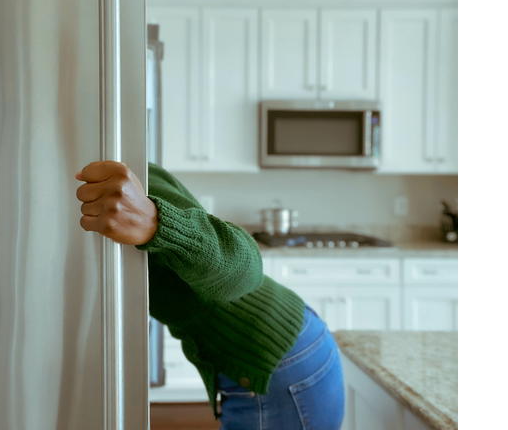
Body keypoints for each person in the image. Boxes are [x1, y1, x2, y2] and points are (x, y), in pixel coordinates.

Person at [75, 161, 345, 430]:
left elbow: (247, 268)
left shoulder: (128, 172)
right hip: (285, 344)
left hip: (279, 360)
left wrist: (158, 223)